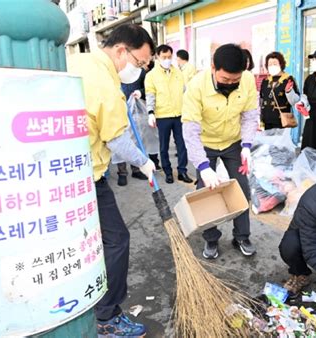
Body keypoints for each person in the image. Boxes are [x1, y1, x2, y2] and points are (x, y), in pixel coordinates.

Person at [67, 24, 156, 336]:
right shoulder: (105, 82)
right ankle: (107, 316)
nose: (140, 70)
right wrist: (145, 163)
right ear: (122, 51)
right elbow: (117, 138)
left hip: (67, 173)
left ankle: (88, 302)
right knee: (117, 240)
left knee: (86, 243)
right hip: (87, 177)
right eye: (141, 63)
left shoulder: (79, 62)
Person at [182, 43, 259, 259]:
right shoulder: (196, 87)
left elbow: (251, 115)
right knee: (206, 192)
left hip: (233, 143)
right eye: (226, 80)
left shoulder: (248, 80)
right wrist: (203, 166)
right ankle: (211, 239)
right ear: (213, 68)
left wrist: (246, 146)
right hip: (205, 144)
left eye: (236, 80)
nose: (231, 84)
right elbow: (190, 131)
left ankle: (242, 236)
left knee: (242, 188)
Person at [145, 44, 193, 184]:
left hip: (179, 114)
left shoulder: (178, 73)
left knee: (182, 144)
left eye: (169, 57)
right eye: (164, 57)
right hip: (162, 115)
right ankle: (168, 172)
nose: (167, 59)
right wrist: (150, 112)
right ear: (158, 57)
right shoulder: (151, 76)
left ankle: (182, 171)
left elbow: (185, 92)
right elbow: (150, 95)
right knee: (164, 146)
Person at [117, 66, 161, 186]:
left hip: (137, 111)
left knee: (136, 140)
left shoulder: (140, 72)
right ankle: (122, 172)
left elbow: (147, 89)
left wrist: (140, 92)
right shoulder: (115, 70)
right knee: (120, 139)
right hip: (119, 110)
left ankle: (136, 169)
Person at [259, 51, 302, 130]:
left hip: (282, 121)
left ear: (281, 64)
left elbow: (295, 101)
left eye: (275, 64)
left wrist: (289, 92)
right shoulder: (265, 81)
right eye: (270, 64)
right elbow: (261, 100)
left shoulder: (288, 79)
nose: (272, 66)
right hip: (266, 121)